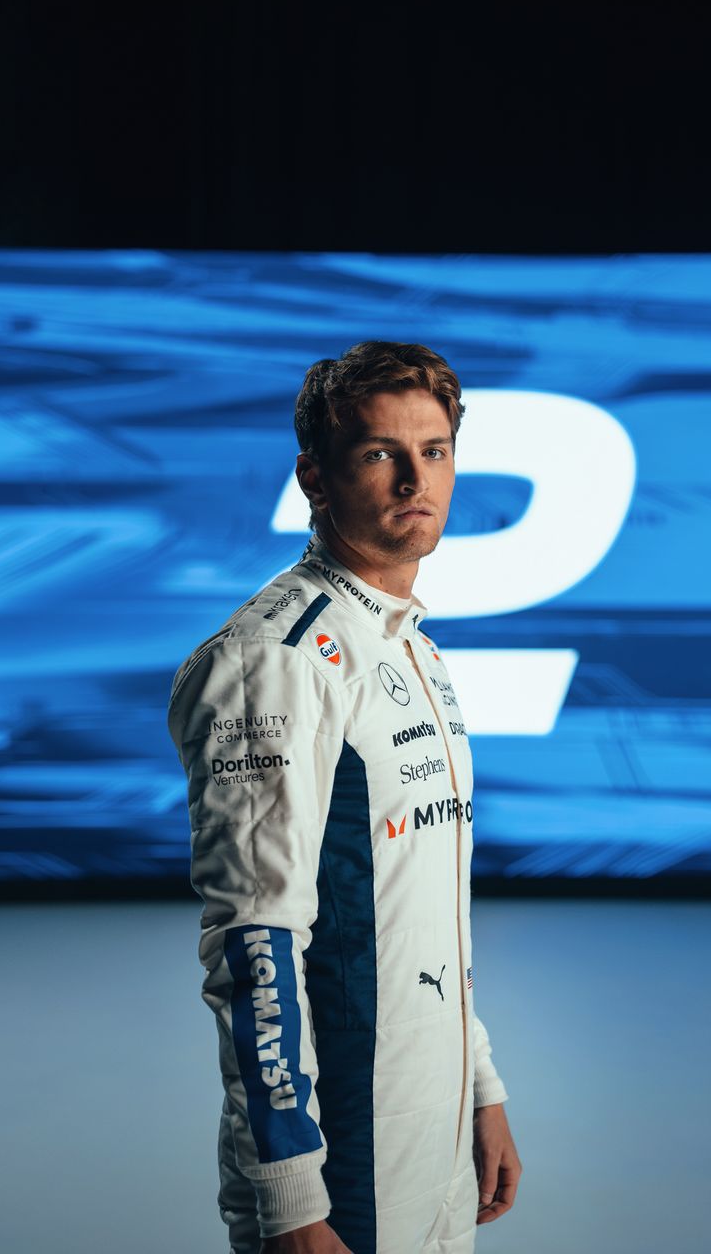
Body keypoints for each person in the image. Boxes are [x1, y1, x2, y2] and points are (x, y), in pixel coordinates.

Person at [167, 341, 522, 1253]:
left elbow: (425, 906)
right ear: (315, 479)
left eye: (434, 451)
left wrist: (480, 1086)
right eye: (378, 453)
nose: (415, 478)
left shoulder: (410, 645)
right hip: (343, 1148)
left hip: (434, 1121)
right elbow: (254, 941)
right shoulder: (273, 663)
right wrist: (291, 1193)